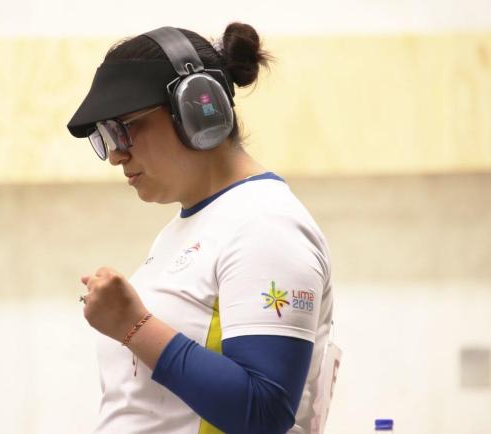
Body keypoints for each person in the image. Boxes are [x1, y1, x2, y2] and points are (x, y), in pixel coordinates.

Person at [67, 23, 334, 434]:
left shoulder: (266, 225)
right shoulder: (193, 226)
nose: (115, 155)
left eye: (124, 128)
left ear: (196, 107)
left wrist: (133, 326)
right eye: (106, 136)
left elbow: (265, 411)